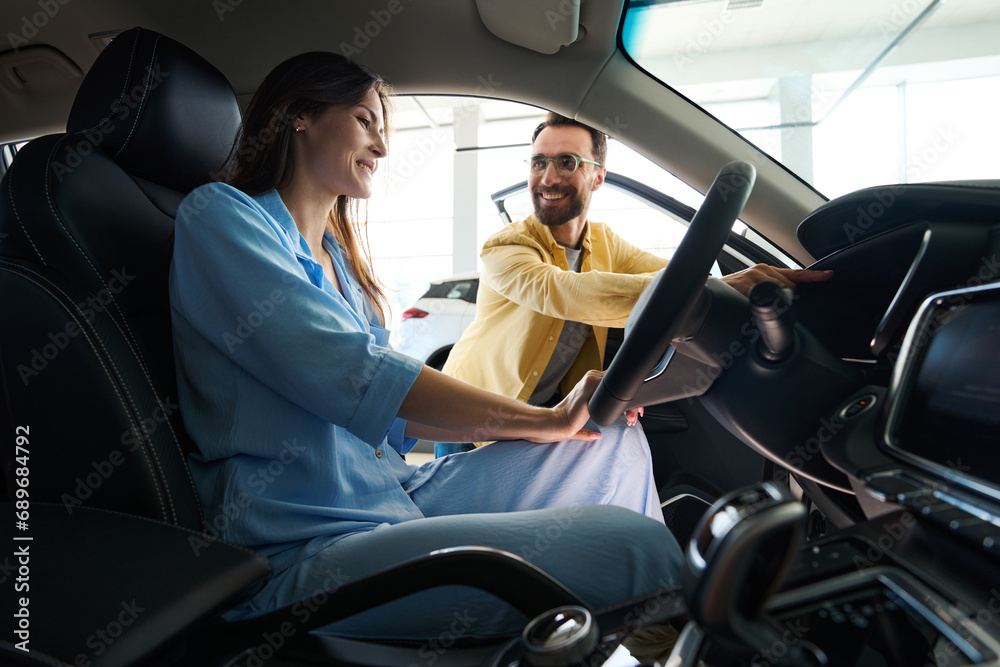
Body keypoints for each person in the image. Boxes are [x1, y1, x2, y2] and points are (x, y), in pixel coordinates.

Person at [168, 52, 682, 646]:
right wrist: (545, 420)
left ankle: (647, 639)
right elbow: (357, 375)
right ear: (299, 116)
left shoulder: (340, 263)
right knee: (637, 550)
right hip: (308, 546)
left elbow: (393, 418)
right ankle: (670, 642)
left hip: (398, 497)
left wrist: (562, 421)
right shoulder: (221, 216)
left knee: (609, 438)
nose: (382, 146)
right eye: (364, 121)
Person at [439, 113, 832, 455]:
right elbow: (566, 293)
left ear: (598, 177)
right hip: (470, 418)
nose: (548, 177)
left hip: (542, 414)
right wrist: (723, 285)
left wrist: (731, 285)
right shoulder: (506, 246)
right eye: (538, 162)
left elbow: (674, 277)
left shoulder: (607, 243)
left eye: (567, 162)